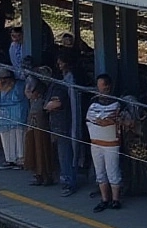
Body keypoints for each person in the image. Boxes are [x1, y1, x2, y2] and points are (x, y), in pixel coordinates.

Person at [46, 52, 84, 197]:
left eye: (61, 62)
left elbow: (58, 103)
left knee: (65, 153)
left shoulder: (67, 82)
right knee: (64, 153)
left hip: (66, 123)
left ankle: (69, 181)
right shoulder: (64, 81)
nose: (59, 65)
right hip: (63, 122)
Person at [86, 74, 124, 211]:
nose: (98, 88)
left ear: (107, 86)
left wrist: (104, 120)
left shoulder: (117, 103)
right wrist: (103, 120)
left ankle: (115, 199)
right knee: (100, 172)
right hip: (95, 142)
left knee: (113, 171)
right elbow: (91, 118)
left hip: (111, 143)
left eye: (101, 85)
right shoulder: (93, 102)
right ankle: (104, 199)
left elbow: (112, 119)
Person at [23, 67, 58, 187]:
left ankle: (46, 176)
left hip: (41, 129)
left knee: (42, 151)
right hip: (33, 128)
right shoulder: (33, 103)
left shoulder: (42, 102)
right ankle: (37, 175)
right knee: (33, 150)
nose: (28, 93)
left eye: (31, 91)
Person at [0, 67, 27, 170]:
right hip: (3, 117)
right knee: (6, 137)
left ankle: (21, 160)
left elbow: (18, 99)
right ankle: (9, 159)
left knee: (19, 137)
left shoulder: (18, 86)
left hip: (17, 116)